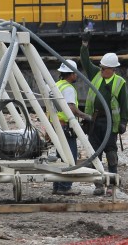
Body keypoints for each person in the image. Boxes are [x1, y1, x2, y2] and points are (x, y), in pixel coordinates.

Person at [80, 31, 128, 196]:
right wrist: (85, 45)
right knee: (95, 153)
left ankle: (111, 185)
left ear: (112, 69)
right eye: (101, 67)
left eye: (104, 68)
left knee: (111, 153)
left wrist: (124, 121)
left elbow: (124, 104)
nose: (101, 70)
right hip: (95, 122)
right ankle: (98, 185)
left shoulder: (119, 83)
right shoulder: (96, 74)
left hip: (110, 124)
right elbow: (85, 61)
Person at [52, 60, 91, 196]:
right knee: (70, 159)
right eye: (75, 73)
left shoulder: (57, 85)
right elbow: (71, 108)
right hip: (65, 127)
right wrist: (85, 116)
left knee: (60, 158)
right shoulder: (68, 88)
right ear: (71, 74)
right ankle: (64, 187)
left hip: (56, 127)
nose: (77, 76)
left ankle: (57, 186)